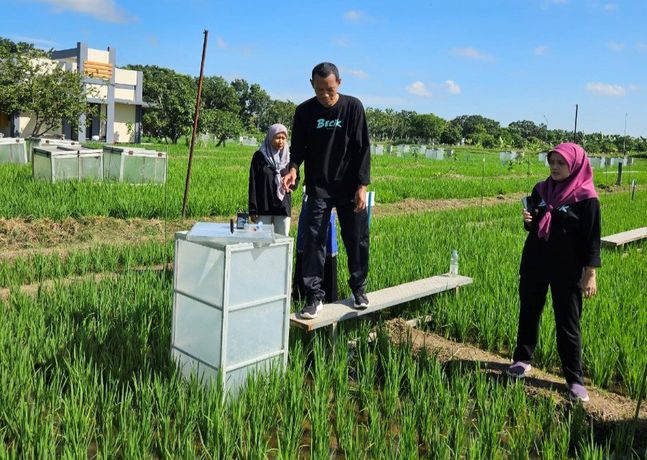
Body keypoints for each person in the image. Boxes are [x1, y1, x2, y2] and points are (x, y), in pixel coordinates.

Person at [507, 143, 601, 402]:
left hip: (568, 268)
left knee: (568, 323)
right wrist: (529, 221)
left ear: (576, 165)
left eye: (561, 163)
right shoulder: (541, 189)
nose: (555, 167)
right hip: (535, 261)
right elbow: (535, 225)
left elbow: (592, 239)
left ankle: (574, 379)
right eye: (552, 162)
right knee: (529, 312)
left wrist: (590, 273)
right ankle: (522, 359)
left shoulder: (586, 197)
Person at [282, 62, 370, 319]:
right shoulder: (304, 111)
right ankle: (314, 297)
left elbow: (362, 148)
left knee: (356, 238)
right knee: (313, 240)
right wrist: (293, 168)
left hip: (349, 186)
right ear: (312, 85)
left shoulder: (353, 107)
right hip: (318, 186)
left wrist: (362, 186)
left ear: (339, 84)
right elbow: (297, 150)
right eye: (320, 89)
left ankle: (358, 289)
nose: (325, 94)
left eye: (330, 89)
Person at [248, 123, 296, 237]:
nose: (281, 141)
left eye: (283, 138)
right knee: (261, 241)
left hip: (283, 207)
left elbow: (295, 176)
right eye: (277, 137)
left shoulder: (289, 157)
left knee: (282, 241)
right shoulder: (259, 157)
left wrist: (291, 185)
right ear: (270, 137)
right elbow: (253, 183)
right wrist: (253, 209)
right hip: (263, 206)